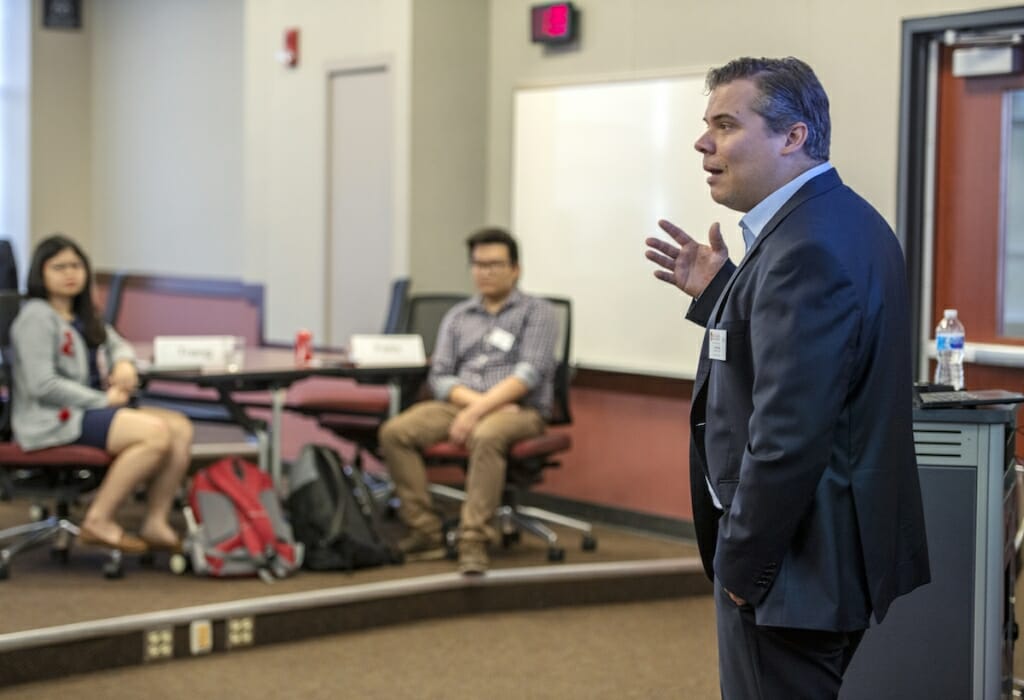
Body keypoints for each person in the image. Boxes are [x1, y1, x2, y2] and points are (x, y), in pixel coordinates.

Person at [644, 57, 930, 698]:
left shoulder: (806, 246)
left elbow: (788, 432)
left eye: (725, 124)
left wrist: (742, 565)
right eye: (705, 125)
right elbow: (793, 362)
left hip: (793, 568)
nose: (702, 142)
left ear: (792, 136)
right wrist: (722, 289)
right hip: (812, 558)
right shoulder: (831, 220)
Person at [379, 227, 558, 575]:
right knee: (395, 432)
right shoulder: (458, 316)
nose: (485, 272)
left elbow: (529, 373)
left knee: (486, 434)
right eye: (478, 264)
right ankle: (425, 531)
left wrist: (478, 410)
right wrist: (477, 405)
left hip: (520, 410)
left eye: (494, 264)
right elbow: (441, 376)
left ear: (515, 268)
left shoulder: (537, 313)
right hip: (464, 403)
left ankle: (473, 540)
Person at [10, 234, 193, 554]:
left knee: (180, 428)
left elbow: (115, 341)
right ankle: (99, 518)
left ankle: (155, 520)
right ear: (41, 273)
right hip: (53, 418)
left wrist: (122, 361)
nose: (70, 273)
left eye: (77, 265)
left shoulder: (82, 314)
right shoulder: (36, 317)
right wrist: (102, 400)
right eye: (59, 267)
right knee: (155, 434)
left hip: (88, 411)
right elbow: (43, 384)